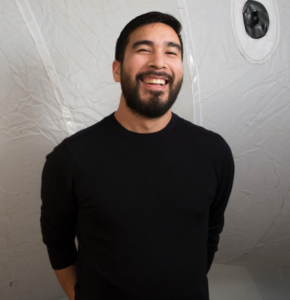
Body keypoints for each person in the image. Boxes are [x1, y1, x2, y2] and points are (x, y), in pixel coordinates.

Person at [41, 11, 234, 300]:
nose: (159, 62)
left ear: (180, 68)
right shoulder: (70, 159)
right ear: (117, 69)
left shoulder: (214, 153)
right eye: (144, 50)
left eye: (172, 52)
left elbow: (209, 236)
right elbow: (58, 243)